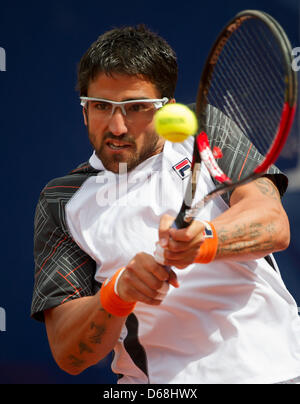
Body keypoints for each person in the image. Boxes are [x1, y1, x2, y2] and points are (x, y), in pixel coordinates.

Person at [31, 25, 300, 384]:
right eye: (101, 106)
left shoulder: (204, 131)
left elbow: (272, 223)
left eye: (136, 107)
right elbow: (68, 352)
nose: (117, 126)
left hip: (274, 372)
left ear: (166, 110)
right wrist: (117, 293)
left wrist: (204, 240)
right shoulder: (61, 199)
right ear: (83, 110)